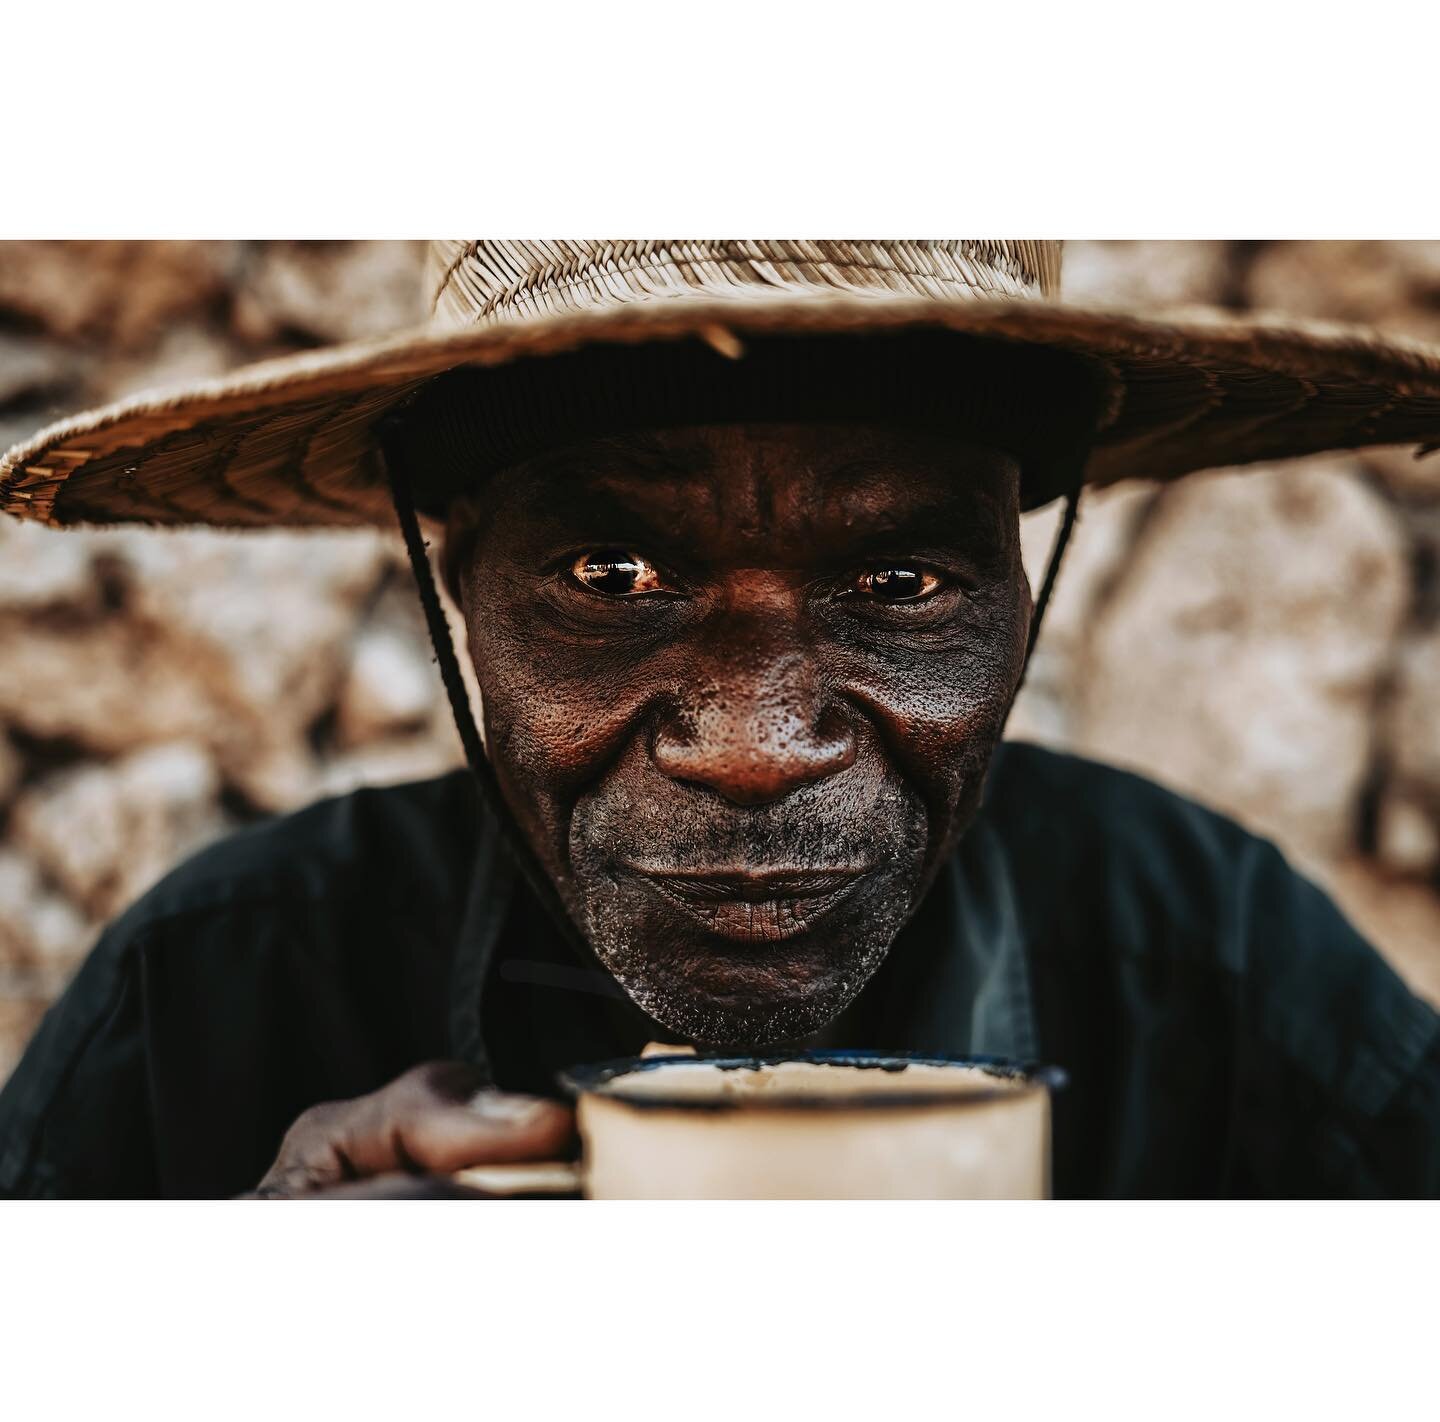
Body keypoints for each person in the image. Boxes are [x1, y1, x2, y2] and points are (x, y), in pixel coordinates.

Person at [0, 240, 1436, 1199]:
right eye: (612, 577)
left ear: (1019, 594)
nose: (753, 745)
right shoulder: (211, 993)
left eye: (898, 581)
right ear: (465, 599)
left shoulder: (1209, 960)